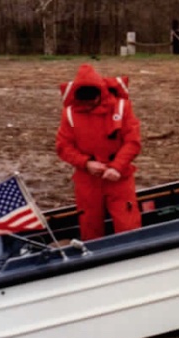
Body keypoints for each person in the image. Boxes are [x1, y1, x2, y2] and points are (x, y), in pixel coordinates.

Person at [56, 64, 142, 241]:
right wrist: (86, 163)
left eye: (92, 101)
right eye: (84, 103)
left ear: (100, 94)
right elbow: (63, 146)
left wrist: (117, 167)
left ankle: (130, 258)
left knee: (128, 226)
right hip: (88, 180)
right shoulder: (70, 113)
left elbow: (132, 142)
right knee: (90, 227)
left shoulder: (121, 107)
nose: (88, 106)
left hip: (119, 178)